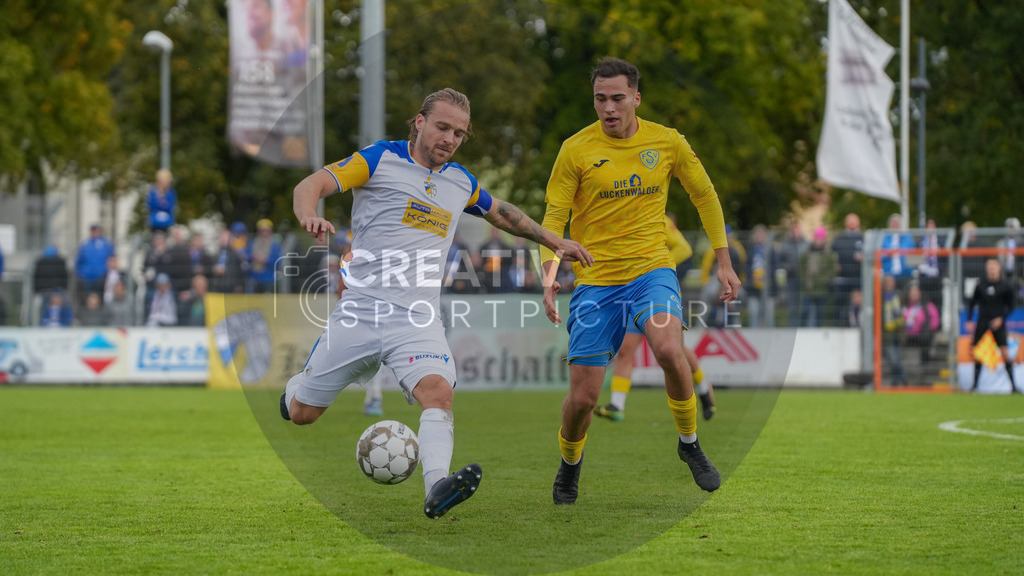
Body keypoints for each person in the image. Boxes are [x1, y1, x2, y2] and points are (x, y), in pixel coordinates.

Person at [280, 88, 593, 519]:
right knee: (302, 414)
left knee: (439, 394)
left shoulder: (460, 181)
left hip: (417, 319)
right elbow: (311, 184)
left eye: (459, 133)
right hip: (360, 313)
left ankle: (437, 487)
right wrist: (308, 213)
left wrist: (554, 240)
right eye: (443, 126)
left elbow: (502, 213)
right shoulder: (378, 159)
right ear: (419, 122)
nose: (450, 138)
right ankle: (294, 392)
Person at [539, 58, 740, 504]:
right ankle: (570, 465)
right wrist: (550, 275)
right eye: (600, 99)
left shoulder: (666, 142)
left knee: (669, 348)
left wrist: (723, 260)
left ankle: (689, 445)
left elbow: (704, 195)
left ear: (636, 98)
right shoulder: (575, 150)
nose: (608, 108)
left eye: (617, 98)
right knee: (584, 402)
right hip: (596, 283)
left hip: (652, 270)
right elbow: (553, 218)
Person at [594, 215, 717, 423]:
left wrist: (657, 267)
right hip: (632, 295)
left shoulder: (656, 216)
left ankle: (704, 389)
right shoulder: (622, 214)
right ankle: (617, 405)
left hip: (657, 294)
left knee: (676, 350)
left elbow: (684, 248)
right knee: (625, 350)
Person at [965, 258, 1019, 393]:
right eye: (989, 266)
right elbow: (972, 304)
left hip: (998, 324)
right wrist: (970, 320)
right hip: (982, 323)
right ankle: (974, 386)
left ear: (999, 268)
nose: (992, 269)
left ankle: (1013, 386)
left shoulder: (1005, 287)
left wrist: (1001, 318)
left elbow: (1011, 306)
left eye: (994, 266)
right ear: (986, 269)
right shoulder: (980, 285)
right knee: (978, 354)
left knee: (1005, 354)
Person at [799, 226, 836, 328]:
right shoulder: (806, 253)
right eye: (817, 238)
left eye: (821, 238)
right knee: (805, 312)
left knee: (820, 314)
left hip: (822, 289)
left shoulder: (829, 254)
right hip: (808, 289)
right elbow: (800, 266)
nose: (818, 240)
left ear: (824, 240)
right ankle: (802, 331)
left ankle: (819, 332)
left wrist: (824, 279)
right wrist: (805, 278)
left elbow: (832, 270)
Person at [832, 213, 863, 327]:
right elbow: (831, 254)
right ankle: (838, 327)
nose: (852, 224)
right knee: (840, 305)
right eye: (850, 221)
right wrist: (835, 264)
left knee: (858, 306)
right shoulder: (839, 238)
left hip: (857, 279)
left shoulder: (862, 238)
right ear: (846, 223)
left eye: (854, 221)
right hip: (842, 279)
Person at [75, 224, 115, 304]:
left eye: (96, 231)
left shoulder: (106, 244)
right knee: (88, 300)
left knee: (100, 300)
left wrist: (106, 272)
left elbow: (112, 258)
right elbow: (78, 261)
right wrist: (81, 273)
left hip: (101, 277)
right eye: (93, 231)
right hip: (87, 278)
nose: (94, 233)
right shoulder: (85, 244)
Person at [744, 224, 775, 328]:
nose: (759, 237)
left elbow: (775, 267)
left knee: (769, 316)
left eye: (762, 235)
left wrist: (766, 276)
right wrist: (752, 276)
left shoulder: (771, 251)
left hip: (769, 290)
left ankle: (770, 338)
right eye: (757, 235)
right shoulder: (750, 251)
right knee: (754, 313)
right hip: (753, 290)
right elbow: (746, 267)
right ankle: (753, 339)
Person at [903, 283, 940, 366]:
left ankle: (925, 362)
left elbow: (935, 318)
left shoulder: (927, 305)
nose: (914, 294)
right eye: (912, 292)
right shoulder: (905, 307)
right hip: (907, 335)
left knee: (925, 338)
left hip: (923, 335)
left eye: (916, 292)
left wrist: (929, 328)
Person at [881, 275, 907, 386]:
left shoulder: (899, 295)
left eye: (892, 282)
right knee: (894, 360)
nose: (890, 284)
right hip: (887, 334)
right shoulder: (880, 297)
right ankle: (904, 379)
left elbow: (903, 312)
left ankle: (894, 383)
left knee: (896, 360)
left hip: (898, 333)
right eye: (888, 282)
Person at [247, 219, 282, 293]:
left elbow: (278, 262)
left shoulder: (275, 245)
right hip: (254, 278)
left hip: (269, 279)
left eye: (266, 230)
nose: (264, 233)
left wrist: (264, 260)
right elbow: (247, 257)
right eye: (262, 230)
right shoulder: (252, 243)